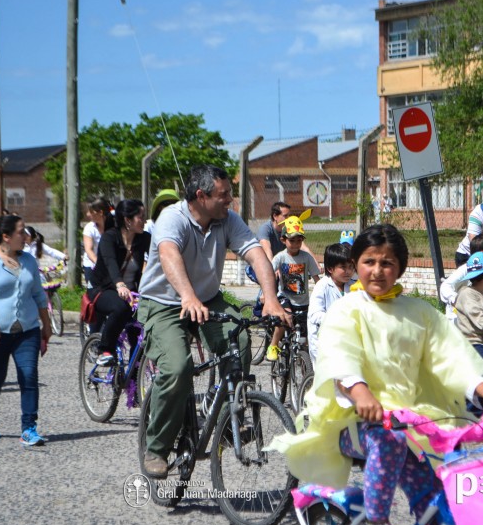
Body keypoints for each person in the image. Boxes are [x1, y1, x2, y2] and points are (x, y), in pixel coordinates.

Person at [271, 224, 483, 525]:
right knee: (390, 441)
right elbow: (340, 356)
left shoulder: (420, 313)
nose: (378, 271)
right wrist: (361, 393)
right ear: (356, 264)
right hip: (354, 424)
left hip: (409, 424)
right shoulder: (346, 309)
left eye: (387, 263)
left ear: (400, 267)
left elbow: (449, 357)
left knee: (434, 497)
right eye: (369, 261)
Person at [138, 165, 290, 478]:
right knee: (177, 367)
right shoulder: (173, 218)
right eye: (224, 195)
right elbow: (169, 254)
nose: (231, 202)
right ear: (201, 196)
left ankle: (224, 419)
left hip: (207, 298)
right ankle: (157, 447)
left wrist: (271, 299)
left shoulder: (226, 220)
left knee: (241, 341)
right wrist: (187, 296)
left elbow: (256, 254)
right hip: (165, 303)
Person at [0, 215, 51, 445]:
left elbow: (38, 294)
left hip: (27, 330)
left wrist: (45, 325)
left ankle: (29, 428)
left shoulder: (29, 261)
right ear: (6, 237)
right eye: (21, 232)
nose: (26, 236)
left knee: (28, 376)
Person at [88, 199, 150, 365]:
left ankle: (135, 385)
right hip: (103, 289)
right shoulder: (109, 237)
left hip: (132, 292)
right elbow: (110, 263)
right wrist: (120, 284)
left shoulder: (144, 238)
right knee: (120, 308)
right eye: (141, 217)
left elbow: (161, 258)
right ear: (128, 220)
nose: (144, 220)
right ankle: (105, 349)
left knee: (139, 335)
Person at [266, 214, 321, 361]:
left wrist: (322, 294)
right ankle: (273, 344)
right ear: (283, 240)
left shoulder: (306, 257)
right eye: (292, 240)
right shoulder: (280, 257)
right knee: (285, 318)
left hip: (303, 301)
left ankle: (305, 368)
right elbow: (269, 276)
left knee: (305, 336)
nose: (296, 243)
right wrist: (266, 294)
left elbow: (317, 279)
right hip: (285, 297)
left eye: (299, 240)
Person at [307, 242, 354, 364]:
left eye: (351, 267)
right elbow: (315, 314)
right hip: (322, 343)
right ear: (330, 269)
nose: (348, 271)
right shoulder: (322, 287)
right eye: (343, 267)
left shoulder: (353, 286)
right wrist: (338, 318)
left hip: (345, 341)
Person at [440, 233, 483, 323]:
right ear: (482, 254)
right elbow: (445, 286)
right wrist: (456, 300)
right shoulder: (467, 269)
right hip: (457, 321)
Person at [82, 198, 114, 287]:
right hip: (92, 265)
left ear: (100, 212)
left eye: (91, 212)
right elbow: (89, 250)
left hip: (110, 266)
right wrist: (100, 265)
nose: (88, 214)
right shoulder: (89, 228)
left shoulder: (114, 227)